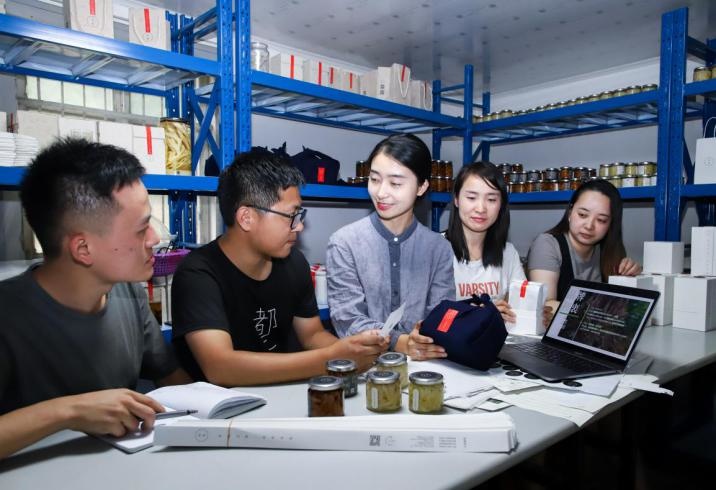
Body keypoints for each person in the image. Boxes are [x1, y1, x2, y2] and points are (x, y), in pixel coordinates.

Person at [0, 138, 190, 459]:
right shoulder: (8, 316)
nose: (156, 239)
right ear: (83, 249)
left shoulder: (127, 291)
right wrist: (70, 411)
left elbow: (173, 379)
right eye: (142, 228)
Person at [170, 150, 388, 386]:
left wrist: (356, 351)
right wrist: (331, 358)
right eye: (291, 215)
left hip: (280, 394)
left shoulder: (293, 263)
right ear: (246, 218)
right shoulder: (198, 275)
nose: (300, 226)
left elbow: (312, 335)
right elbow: (221, 368)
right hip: (222, 412)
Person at [326, 134, 455, 361]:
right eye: (374, 180)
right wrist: (401, 342)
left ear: (422, 186)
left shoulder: (438, 248)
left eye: (395, 183)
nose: (381, 192)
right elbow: (348, 318)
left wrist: (426, 336)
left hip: (425, 364)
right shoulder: (344, 243)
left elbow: (442, 314)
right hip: (363, 365)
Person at [528, 179, 642, 310]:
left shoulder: (609, 250)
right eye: (582, 215)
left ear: (611, 224)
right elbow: (546, 305)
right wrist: (599, 312)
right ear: (570, 213)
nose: (589, 226)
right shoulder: (547, 244)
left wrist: (634, 275)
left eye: (601, 220)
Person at [444, 161, 529, 324]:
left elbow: (520, 307)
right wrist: (484, 312)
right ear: (456, 199)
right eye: (471, 197)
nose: (481, 208)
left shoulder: (508, 253)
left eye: (491, 199)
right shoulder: (437, 250)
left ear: (501, 204)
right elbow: (431, 315)